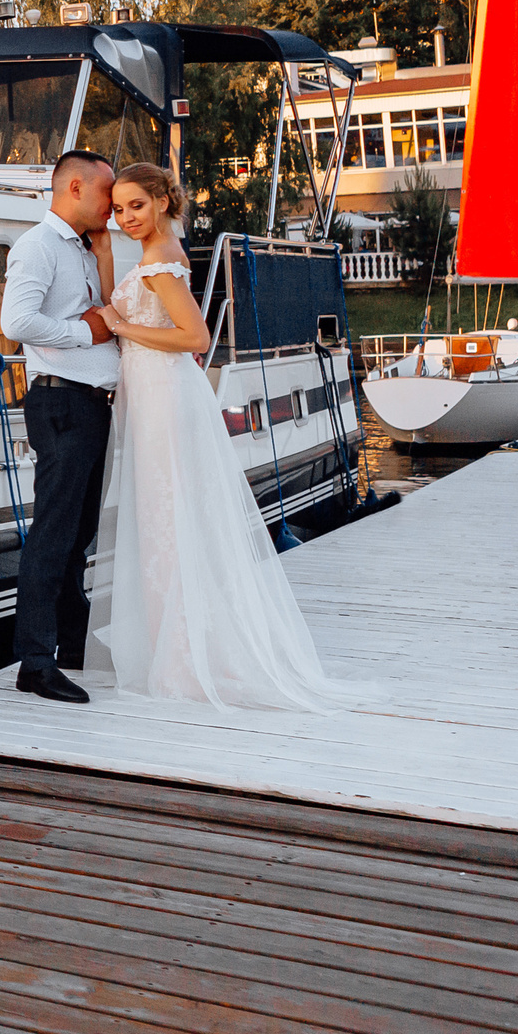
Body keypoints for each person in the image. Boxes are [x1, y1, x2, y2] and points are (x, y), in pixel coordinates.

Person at [90, 162, 364, 711]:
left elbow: (195, 335)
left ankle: (186, 657)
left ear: (163, 202)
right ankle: (182, 648)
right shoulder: (157, 255)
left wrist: (118, 327)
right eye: (118, 210)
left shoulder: (160, 265)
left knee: (169, 518)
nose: (125, 218)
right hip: (157, 394)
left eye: (136, 206)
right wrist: (102, 257)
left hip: (165, 399)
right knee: (167, 518)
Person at [0, 148, 119, 704]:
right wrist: (84, 334)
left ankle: (71, 645)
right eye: (105, 193)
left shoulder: (89, 249)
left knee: (77, 535)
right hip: (61, 403)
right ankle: (35, 663)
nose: (111, 204)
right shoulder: (38, 246)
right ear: (74, 188)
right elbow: (16, 322)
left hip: (90, 405)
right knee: (51, 537)